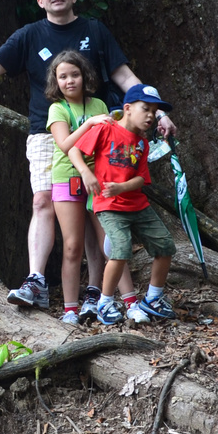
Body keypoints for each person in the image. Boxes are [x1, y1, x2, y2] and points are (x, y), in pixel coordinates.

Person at [0, 0, 175, 310]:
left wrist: (160, 111)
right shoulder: (29, 35)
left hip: (100, 134)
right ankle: (36, 280)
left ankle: (98, 292)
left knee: (100, 209)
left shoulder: (94, 30)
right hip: (49, 132)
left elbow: (122, 74)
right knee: (43, 201)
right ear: (40, 0)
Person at [65, 84, 177, 325]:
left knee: (165, 245)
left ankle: (153, 297)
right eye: (145, 109)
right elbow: (74, 151)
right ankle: (105, 302)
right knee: (120, 248)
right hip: (109, 204)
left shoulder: (142, 144)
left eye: (154, 111)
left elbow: (141, 179)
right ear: (127, 108)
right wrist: (86, 172)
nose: (150, 115)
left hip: (137, 204)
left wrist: (122, 187)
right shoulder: (106, 129)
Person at [45, 50, 136, 322]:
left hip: (100, 179)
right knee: (72, 246)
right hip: (67, 178)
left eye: (75, 74)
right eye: (63, 76)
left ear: (85, 76)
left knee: (109, 242)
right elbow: (64, 144)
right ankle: (70, 309)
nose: (70, 80)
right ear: (56, 81)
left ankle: (117, 300)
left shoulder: (97, 104)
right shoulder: (57, 108)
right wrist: (92, 124)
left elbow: (110, 141)